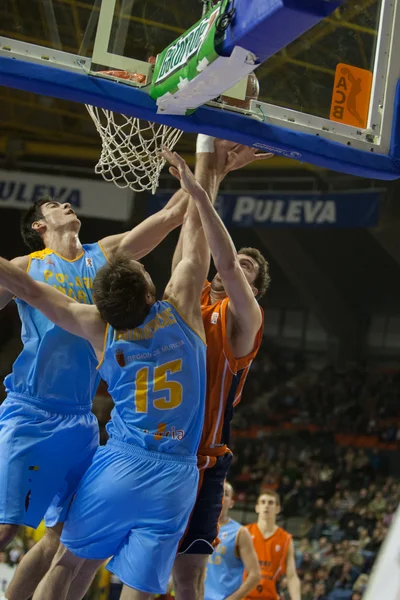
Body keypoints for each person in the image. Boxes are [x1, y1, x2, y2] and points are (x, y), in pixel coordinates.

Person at [0, 148, 218, 600]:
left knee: (61, 544)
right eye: (52, 204)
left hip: (82, 421)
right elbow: (191, 241)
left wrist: (200, 174)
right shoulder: (26, 268)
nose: (64, 204)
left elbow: (175, 215)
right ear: (39, 226)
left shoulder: (108, 258)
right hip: (33, 412)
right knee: (6, 528)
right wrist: (208, 163)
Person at [171, 136, 272, 600]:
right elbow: (192, 247)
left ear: (255, 288)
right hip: (157, 445)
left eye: (251, 268)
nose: (239, 264)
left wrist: (204, 181)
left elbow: (226, 260)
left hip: (204, 455)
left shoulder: (245, 318)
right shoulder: (191, 296)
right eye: (241, 260)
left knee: (188, 574)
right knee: (142, 562)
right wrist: (212, 174)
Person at [204, 482, 261, 600]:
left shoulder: (240, 532)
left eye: (226, 493)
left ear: (231, 503)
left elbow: (255, 575)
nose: (220, 495)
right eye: (218, 490)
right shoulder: (197, 527)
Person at [244, 491, 301, 600]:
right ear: (257, 507)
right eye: (263, 502)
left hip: (270, 596)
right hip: (244, 596)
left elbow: (292, 576)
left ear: (277, 508)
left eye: (271, 503)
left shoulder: (286, 539)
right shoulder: (245, 533)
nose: (266, 505)